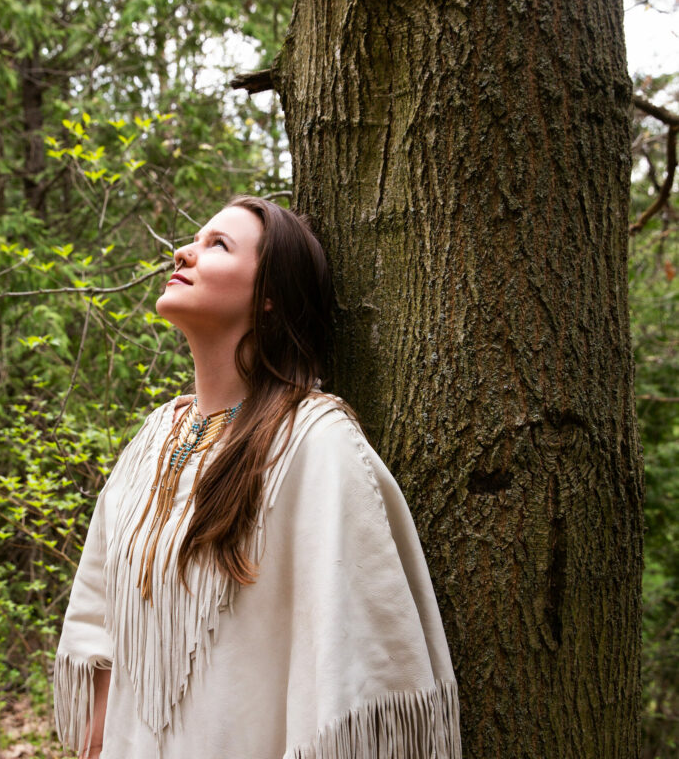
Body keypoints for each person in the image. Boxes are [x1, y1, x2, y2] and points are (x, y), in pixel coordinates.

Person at [54, 196, 460, 759]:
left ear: (270, 297)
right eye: (194, 240)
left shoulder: (316, 444)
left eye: (217, 244)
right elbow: (97, 626)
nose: (183, 252)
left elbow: (357, 667)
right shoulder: (152, 441)